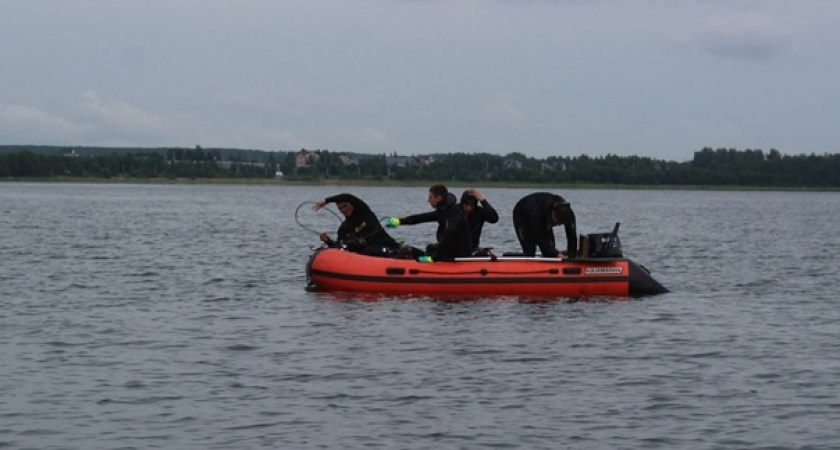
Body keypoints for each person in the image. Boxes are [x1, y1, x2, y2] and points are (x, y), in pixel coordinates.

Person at [385, 184, 472, 261]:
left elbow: (448, 237)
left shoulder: (453, 214)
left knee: (417, 251)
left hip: (456, 256)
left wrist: (433, 258)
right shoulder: (443, 211)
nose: (428, 200)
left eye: (431, 197)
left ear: (438, 198)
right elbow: (421, 218)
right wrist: (399, 221)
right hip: (446, 252)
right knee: (414, 249)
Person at [312, 193, 400, 257]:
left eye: (345, 206)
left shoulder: (363, 211)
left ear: (351, 204)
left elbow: (348, 196)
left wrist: (326, 201)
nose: (343, 210)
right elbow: (339, 247)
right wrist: (327, 241)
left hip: (385, 244)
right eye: (340, 208)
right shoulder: (344, 228)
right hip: (369, 253)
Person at [512, 192, 577, 258]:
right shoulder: (538, 213)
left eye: (560, 224)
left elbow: (572, 237)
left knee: (550, 250)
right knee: (530, 250)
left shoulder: (570, 215)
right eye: (554, 223)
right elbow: (539, 237)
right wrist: (556, 253)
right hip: (522, 214)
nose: (556, 226)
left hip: (542, 215)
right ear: (552, 213)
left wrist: (571, 256)